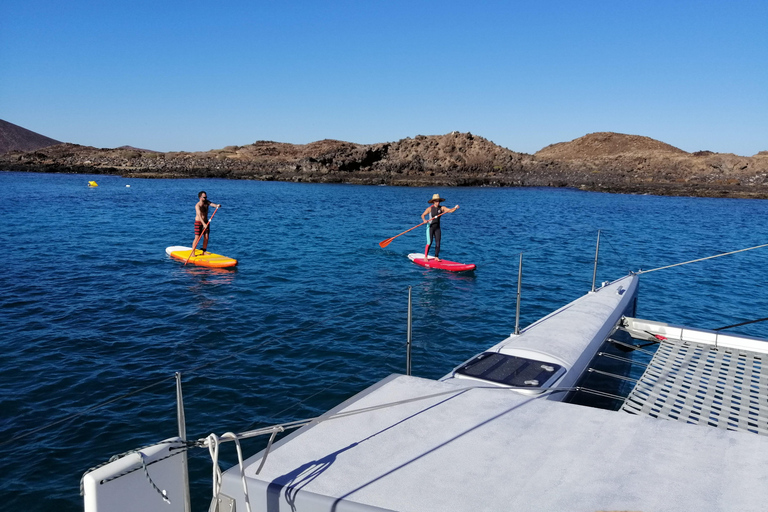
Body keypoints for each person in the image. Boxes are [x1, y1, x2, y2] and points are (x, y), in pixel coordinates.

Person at [420, 193, 459, 261]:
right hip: (430, 227)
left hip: (437, 228)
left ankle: (436, 256)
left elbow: (450, 211)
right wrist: (424, 220)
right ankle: (425, 257)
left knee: (438, 242)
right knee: (429, 242)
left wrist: (455, 207)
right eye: (436, 201)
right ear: (433, 202)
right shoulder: (430, 209)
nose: (438, 202)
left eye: (438, 201)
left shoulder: (442, 208)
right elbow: (422, 215)